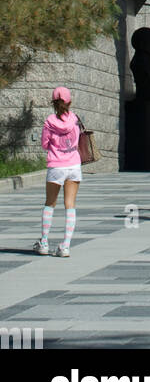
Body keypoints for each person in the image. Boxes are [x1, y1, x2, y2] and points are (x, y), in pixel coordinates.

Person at [33, 87, 81, 257]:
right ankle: (65, 246)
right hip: (74, 165)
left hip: (56, 165)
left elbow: (45, 144)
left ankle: (44, 242)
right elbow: (78, 139)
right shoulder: (75, 119)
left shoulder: (49, 121)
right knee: (70, 205)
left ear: (53, 103)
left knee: (50, 203)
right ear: (69, 102)